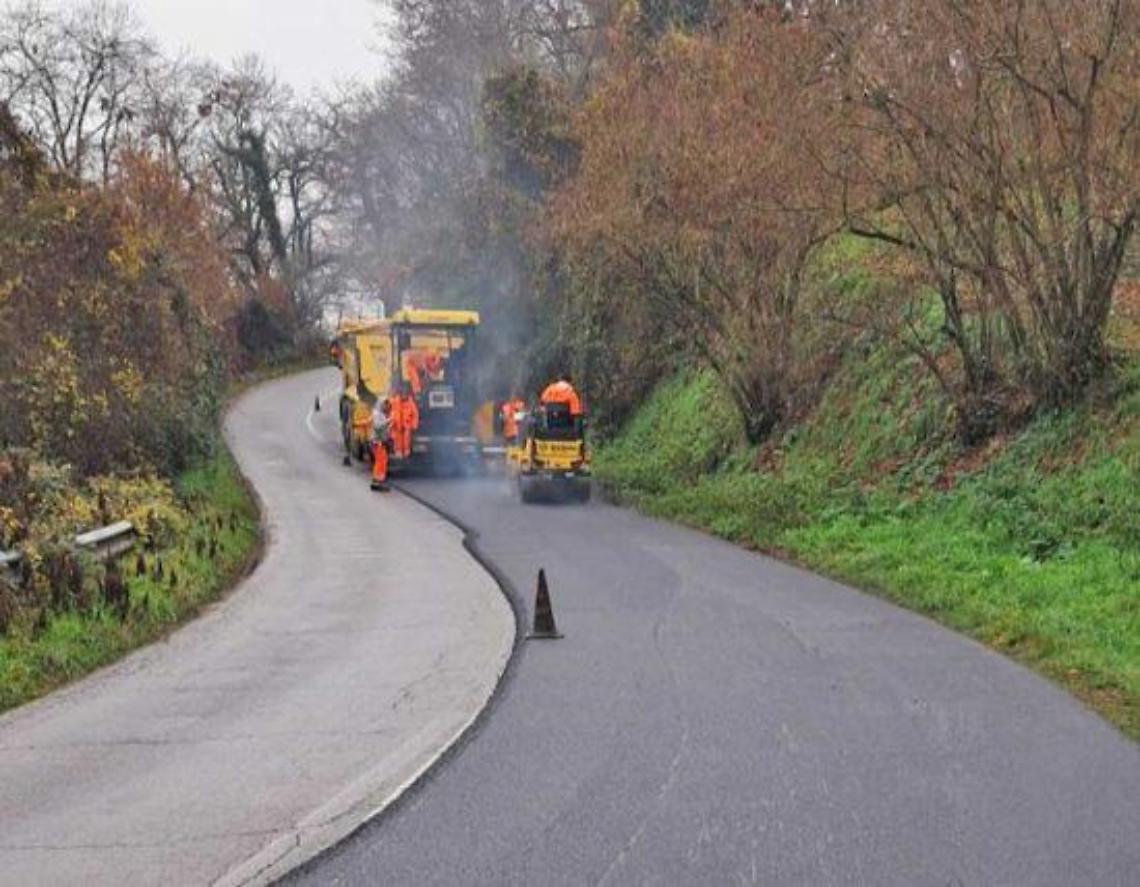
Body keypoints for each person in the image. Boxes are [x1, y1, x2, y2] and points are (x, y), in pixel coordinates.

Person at [369, 398, 392, 492]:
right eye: (386, 405)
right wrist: (388, 421)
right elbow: (378, 426)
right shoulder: (377, 414)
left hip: (379, 441)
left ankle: (378, 480)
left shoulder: (380, 414)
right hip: (377, 442)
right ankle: (378, 481)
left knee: (382, 460)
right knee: (380, 461)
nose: (387, 407)